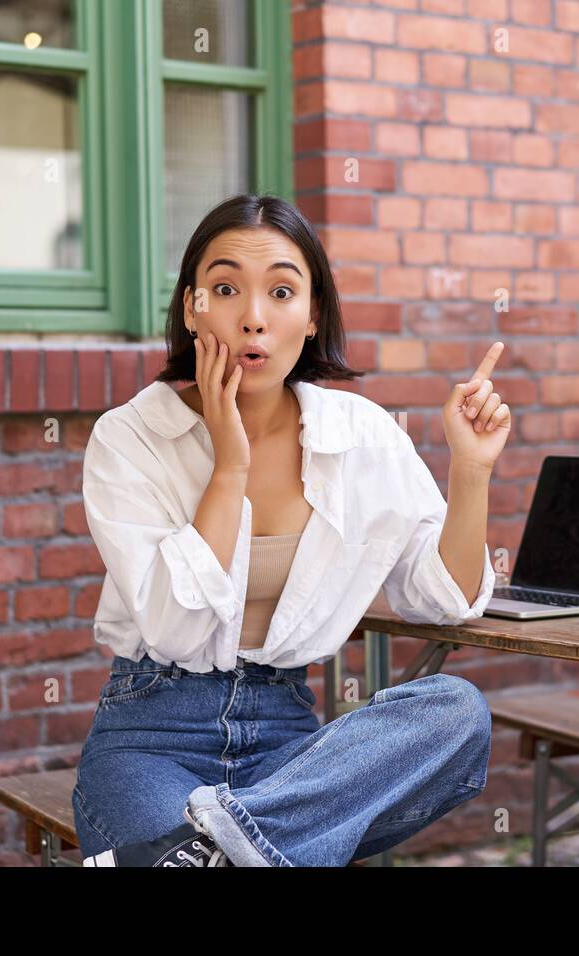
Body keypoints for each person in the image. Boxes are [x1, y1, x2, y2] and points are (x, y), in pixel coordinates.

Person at [72, 194, 513, 867]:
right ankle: (253, 845)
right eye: (225, 289)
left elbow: (443, 599)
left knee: (455, 712)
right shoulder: (131, 437)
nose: (253, 318)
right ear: (193, 306)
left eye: (281, 292)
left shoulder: (360, 435)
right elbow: (176, 627)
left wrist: (471, 471)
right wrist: (230, 464)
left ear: (311, 317)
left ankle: (222, 842)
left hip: (290, 749)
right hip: (151, 736)